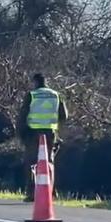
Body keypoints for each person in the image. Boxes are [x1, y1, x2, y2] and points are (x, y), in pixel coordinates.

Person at [18, 73, 68, 202]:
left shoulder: (32, 95)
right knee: (48, 162)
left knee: (31, 163)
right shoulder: (55, 95)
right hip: (50, 132)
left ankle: (31, 193)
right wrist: (56, 126)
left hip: (33, 133)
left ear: (35, 82)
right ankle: (51, 192)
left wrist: (21, 133)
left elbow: (23, 115)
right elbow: (64, 115)